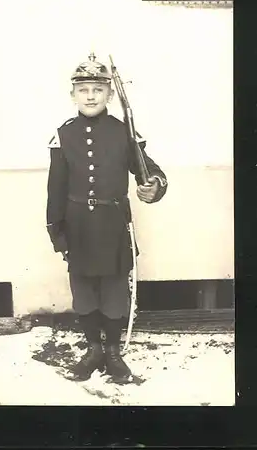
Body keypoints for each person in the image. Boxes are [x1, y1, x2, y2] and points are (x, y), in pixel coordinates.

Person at [46, 53, 167, 383]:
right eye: (83, 89)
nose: (90, 96)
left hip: (113, 226)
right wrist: (57, 232)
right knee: (84, 291)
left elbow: (149, 170)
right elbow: (55, 189)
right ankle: (93, 350)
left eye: (97, 89)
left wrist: (154, 185)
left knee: (114, 291)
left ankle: (113, 353)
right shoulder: (64, 134)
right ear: (73, 95)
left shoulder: (123, 132)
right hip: (78, 227)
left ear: (110, 95)